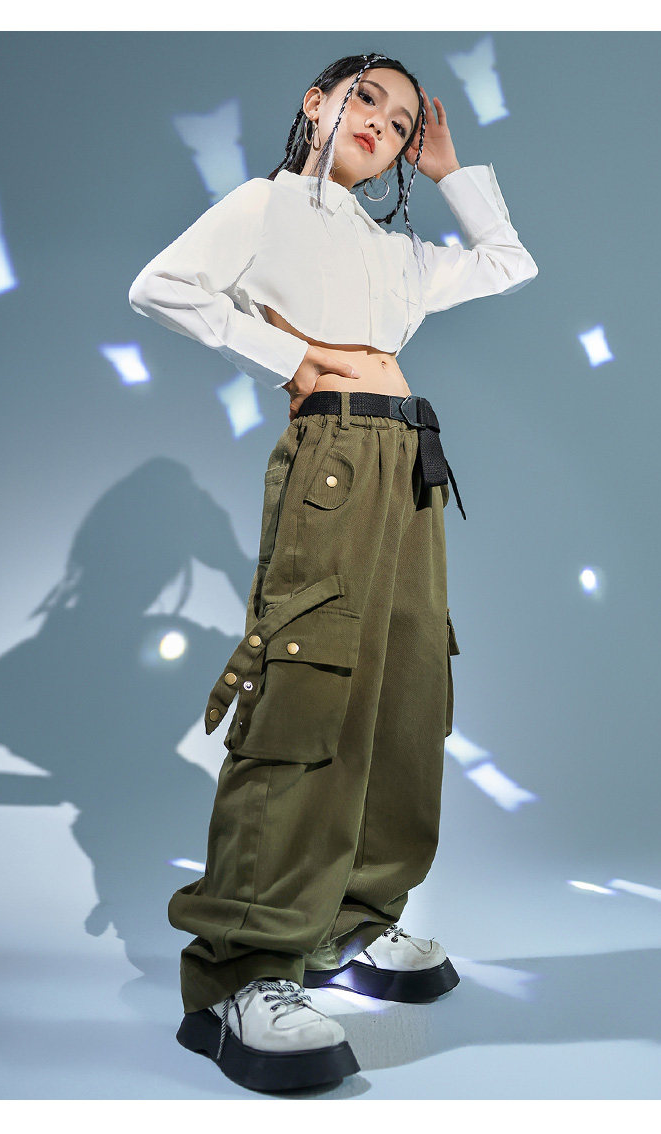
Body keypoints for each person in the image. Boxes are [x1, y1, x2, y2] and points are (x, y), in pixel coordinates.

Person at [129, 50, 538, 1092]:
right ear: (316, 103)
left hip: (411, 461)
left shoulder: (390, 245)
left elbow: (506, 263)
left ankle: (353, 923)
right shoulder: (264, 206)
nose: (382, 125)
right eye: (366, 99)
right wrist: (290, 361)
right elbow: (160, 286)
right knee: (308, 693)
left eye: (400, 123)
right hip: (335, 459)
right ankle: (242, 972)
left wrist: (451, 171)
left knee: (406, 694)